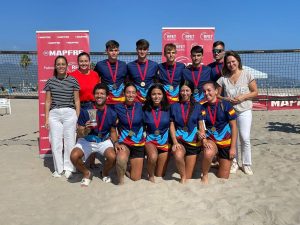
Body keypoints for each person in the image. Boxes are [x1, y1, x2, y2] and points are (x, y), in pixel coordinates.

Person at [217, 50, 258, 175]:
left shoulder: (247, 74)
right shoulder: (223, 79)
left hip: (244, 110)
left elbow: (255, 92)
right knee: (232, 139)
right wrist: (226, 99)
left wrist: (243, 97)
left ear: (238, 61)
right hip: (230, 113)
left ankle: (246, 164)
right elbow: (217, 95)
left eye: (233, 61)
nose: (231, 64)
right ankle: (234, 162)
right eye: (228, 62)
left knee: (245, 138)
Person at [70, 83, 118, 186]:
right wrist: (86, 129)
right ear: (93, 95)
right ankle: (87, 173)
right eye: (97, 93)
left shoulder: (112, 113)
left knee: (113, 157)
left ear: (107, 96)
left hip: (103, 141)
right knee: (74, 156)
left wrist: (116, 143)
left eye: (102, 93)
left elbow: (113, 131)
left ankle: (104, 173)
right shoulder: (85, 110)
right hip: (87, 140)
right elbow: (80, 133)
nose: (99, 96)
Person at [44, 55, 80, 178]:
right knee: (55, 143)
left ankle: (69, 168)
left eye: (63, 64)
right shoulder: (50, 81)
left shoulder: (73, 80)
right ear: (55, 66)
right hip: (54, 114)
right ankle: (58, 169)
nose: (61, 66)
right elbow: (48, 101)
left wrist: (77, 118)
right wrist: (46, 118)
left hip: (70, 113)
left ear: (67, 65)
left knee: (69, 142)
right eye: (58, 64)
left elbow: (77, 101)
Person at [198, 81, 238, 184]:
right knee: (208, 151)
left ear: (216, 91)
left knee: (223, 177)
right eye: (204, 91)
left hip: (225, 142)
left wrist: (233, 148)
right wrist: (204, 140)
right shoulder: (202, 107)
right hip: (212, 139)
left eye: (209, 90)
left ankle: (219, 160)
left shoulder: (226, 105)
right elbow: (201, 126)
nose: (206, 93)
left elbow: (234, 127)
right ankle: (205, 174)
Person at [170, 80, 203, 183]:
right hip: (180, 139)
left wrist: (202, 134)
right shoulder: (174, 106)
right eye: (182, 90)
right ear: (179, 92)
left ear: (192, 91)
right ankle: (182, 177)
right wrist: (175, 142)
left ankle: (186, 174)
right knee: (178, 155)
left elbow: (201, 124)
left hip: (193, 142)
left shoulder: (198, 106)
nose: (185, 93)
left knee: (189, 175)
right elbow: (171, 125)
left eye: (187, 90)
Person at [114, 83, 145, 184]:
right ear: (124, 93)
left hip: (138, 142)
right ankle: (121, 180)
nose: (130, 95)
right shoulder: (118, 107)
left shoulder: (141, 106)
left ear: (136, 94)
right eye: (128, 92)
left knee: (135, 178)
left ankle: (128, 167)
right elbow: (112, 127)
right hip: (125, 141)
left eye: (133, 92)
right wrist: (116, 143)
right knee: (121, 158)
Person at [143, 84, 170, 182]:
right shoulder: (145, 109)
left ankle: (151, 167)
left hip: (164, 141)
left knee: (160, 174)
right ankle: (150, 175)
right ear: (150, 96)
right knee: (153, 157)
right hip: (151, 140)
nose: (156, 96)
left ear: (163, 95)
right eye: (153, 94)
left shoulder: (168, 108)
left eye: (159, 94)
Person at [94, 40, 127, 105]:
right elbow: (94, 80)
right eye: (111, 50)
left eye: (115, 50)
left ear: (118, 51)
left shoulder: (123, 65)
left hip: (121, 100)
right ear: (106, 51)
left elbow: (127, 81)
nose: (113, 53)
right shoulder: (100, 65)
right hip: (106, 100)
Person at [127, 39, 158, 103]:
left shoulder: (154, 65)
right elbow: (127, 83)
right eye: (140, 49)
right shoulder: (129, 66)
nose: (142, 51)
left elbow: (156, 82)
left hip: (150, 99)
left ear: (147, 50)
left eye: (144, 49)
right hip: (135, 100)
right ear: (136, 50)